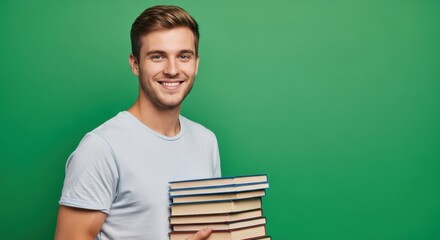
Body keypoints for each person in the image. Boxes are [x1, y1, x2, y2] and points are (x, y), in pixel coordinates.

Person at [54, 5, 221, 240]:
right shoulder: (101, 148)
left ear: (196, 63)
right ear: (135, 64)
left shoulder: (206, 141)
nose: (172, 70)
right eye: (158, 56)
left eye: (184, 56)